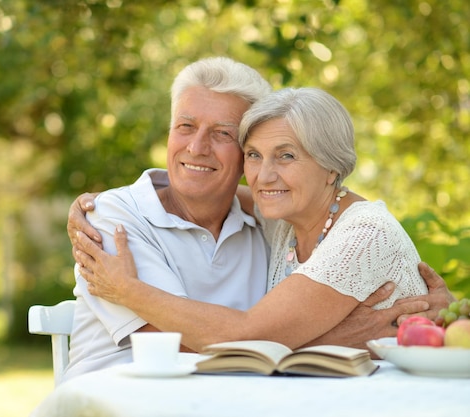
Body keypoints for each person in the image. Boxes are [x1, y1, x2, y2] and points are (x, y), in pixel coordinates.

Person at [74, 87, 454, 353]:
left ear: (332, 167)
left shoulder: (362, 234)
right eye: (254, 155)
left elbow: (243, 338)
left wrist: (126, 289)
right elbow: (206, 191)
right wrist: (105, 205)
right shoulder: (287, 218)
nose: (263, 176)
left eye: (286, 156)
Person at [60, 56, 275, 382]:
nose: (197, 147)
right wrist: (338, 340)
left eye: (222, 134)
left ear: (250, 154)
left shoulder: (266, 224)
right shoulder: (110, 218)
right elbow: (176, 340)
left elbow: (328, 203)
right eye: (186, 127)